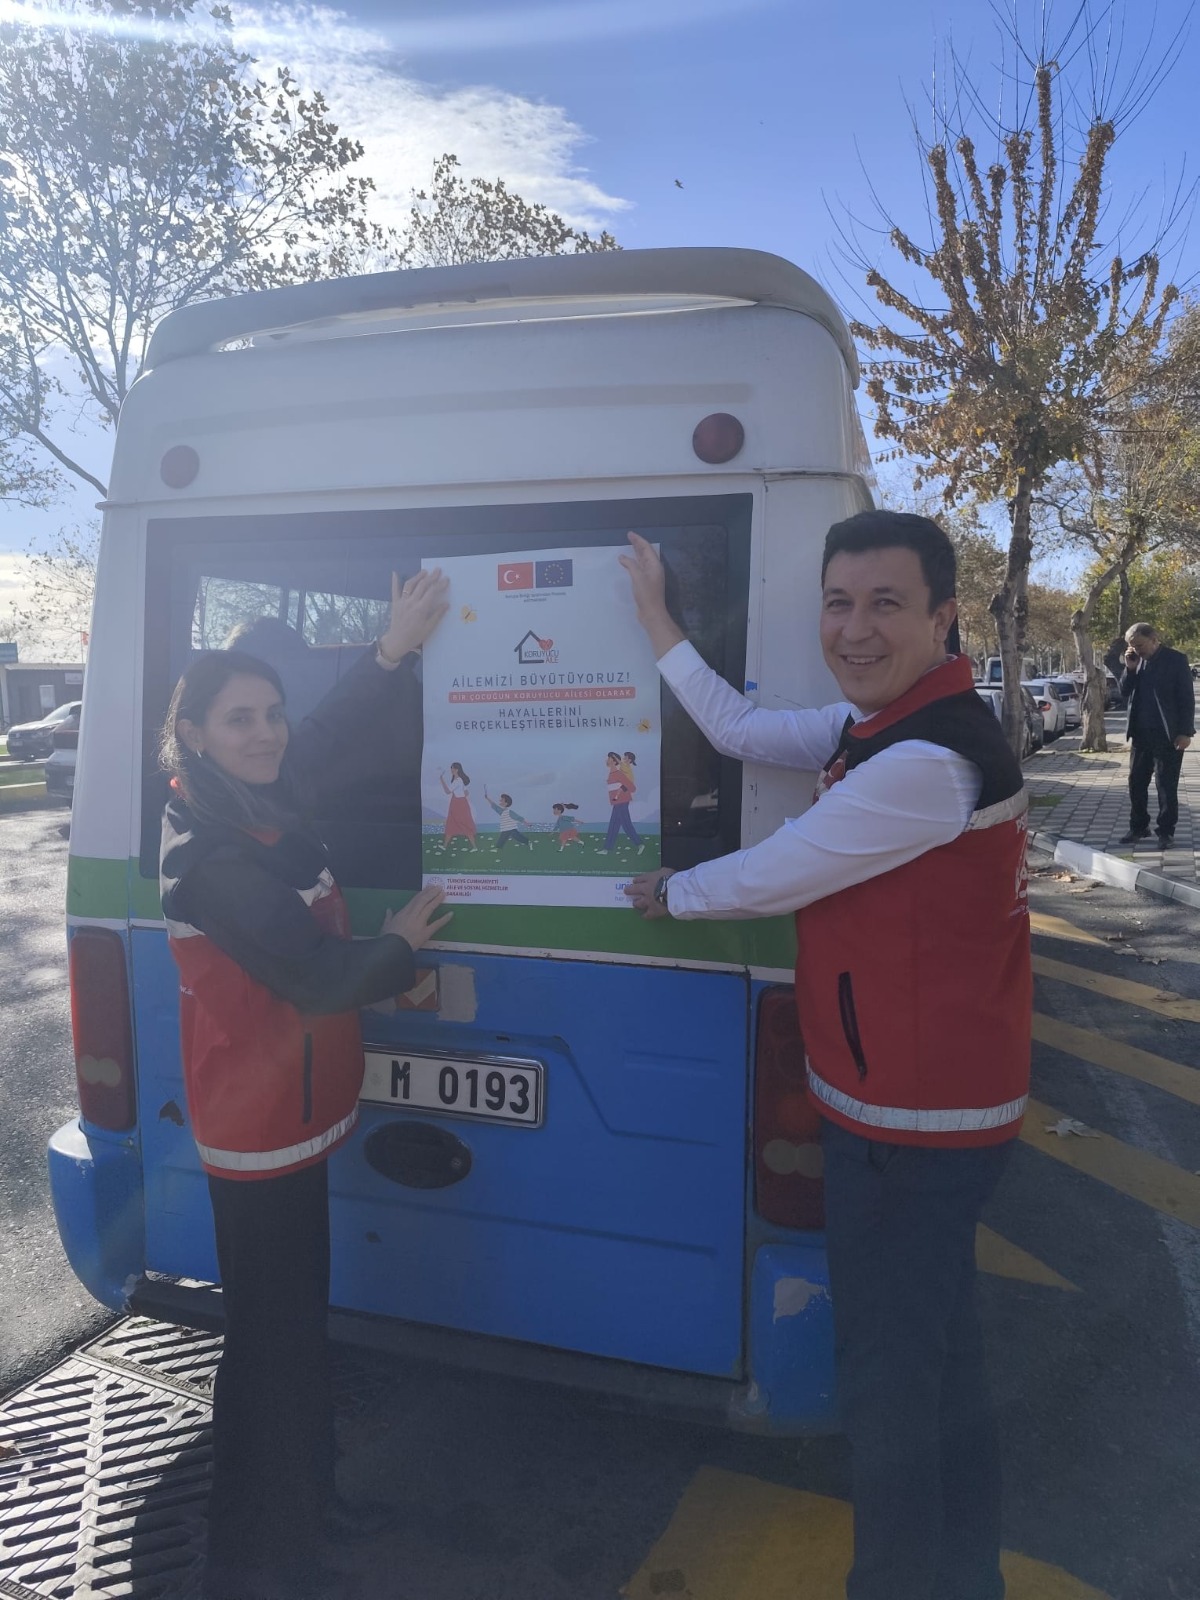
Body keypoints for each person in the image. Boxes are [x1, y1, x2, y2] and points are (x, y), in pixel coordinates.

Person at [620, 512, 1031, 1600]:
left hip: (914, 1129)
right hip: (920, 1109)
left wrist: (674, 890)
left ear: (944, 617)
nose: (854, 628)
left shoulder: (927, 760)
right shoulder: (881, 724)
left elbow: (775, 871)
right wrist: (657, 615)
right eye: (839, 603)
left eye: (886, 604)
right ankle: (965, 1578)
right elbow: (741, 729)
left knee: (891, 1392)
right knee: (940, 1373)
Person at [159, 567, 452, 1600]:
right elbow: (316, 975)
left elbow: (320, 740)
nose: (266, 732)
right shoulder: (208, 855)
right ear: (192, 734)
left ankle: (313, 1506)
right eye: (239, 719)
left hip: (298, 1115)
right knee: (267, 1354)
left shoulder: (259, 798)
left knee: (297, 1335)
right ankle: (256, 1559)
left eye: (271, 712)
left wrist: (390, 649)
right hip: (257, 1137)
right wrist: (399, 947)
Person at [1117, 622, 1194, 846]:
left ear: (1154, 640)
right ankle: (1139, 827)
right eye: (1132, 646)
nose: (1136, 650)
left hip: (1168, 735)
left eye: (1139, 645)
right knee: (1136, 782)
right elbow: (1124, 691)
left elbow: (1186, 699)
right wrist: (1130, 669)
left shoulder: (1175, 660)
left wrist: (1185, 732)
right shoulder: (1135, 662)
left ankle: (1166, 832)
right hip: (1140, 734)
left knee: (1165, 785)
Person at [602, 750, 643, 852]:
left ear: (614, 761)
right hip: (617, 803)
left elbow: (632, 788)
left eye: (609, 758)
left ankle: (639, 844)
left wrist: (622, 790)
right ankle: (607, 848)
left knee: (619, 824)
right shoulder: (612, 774)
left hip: (622, 802)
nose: (606, 760)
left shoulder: (619, 774)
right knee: (618, 824)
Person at [439, 761, 478, 849]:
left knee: (460, 823)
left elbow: (447, 791)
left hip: (457, 804)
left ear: (457, 769)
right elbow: (466, 792)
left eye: (453, 768)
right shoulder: (460, 780)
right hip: (460, 803)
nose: (451, 770)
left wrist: (441, 779)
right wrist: (460, 795)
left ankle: (474, 847)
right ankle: (445, 846)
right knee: (455, 823)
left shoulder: (457, 781)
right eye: (451, 768)